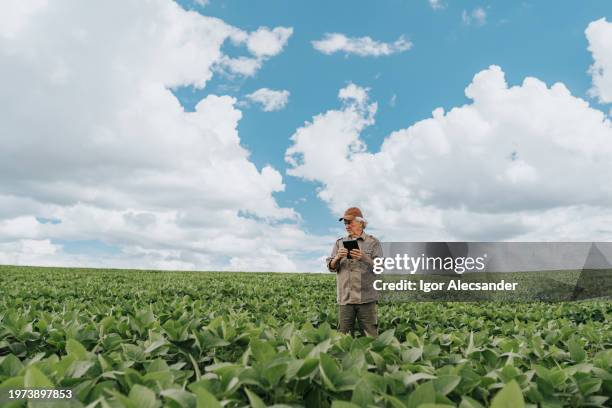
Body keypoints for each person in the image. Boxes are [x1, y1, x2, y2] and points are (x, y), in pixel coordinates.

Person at [326, 207, 383, 337]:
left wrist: (364, 258)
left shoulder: (373, 242)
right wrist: (337, 257)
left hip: (367, 299)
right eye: (345, 223)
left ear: (361, 223)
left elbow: (380, 267)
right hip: (345, 299)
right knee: (343, 338)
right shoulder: (339, 242)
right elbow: (331, 267)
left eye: (350, 222)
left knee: (371, 337)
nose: (347, 225)